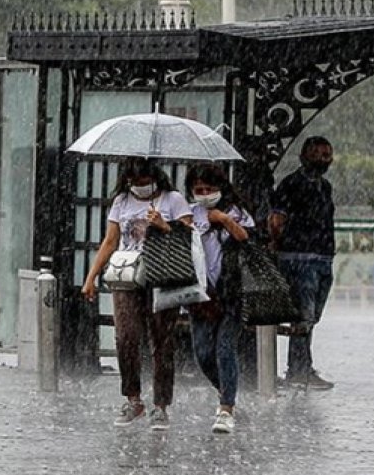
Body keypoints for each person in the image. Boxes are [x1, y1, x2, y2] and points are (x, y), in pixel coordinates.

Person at [81, 157, 193, 431]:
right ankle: (133, 398)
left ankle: (161, 404)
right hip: (128, 276)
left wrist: (164, 225)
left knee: (162, 340)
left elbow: (190, 236)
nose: (139, 186)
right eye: (134, 181)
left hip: (162, 275)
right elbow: (111, 240)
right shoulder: (121, 202)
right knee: (126, 337)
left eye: (144, 181)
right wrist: (91, 276)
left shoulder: (173, 200)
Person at [184, 163, 254, 433]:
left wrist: (224, 220)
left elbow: (247, 239)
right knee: (203, 353)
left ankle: (226, 408)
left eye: (209, 189)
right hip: (201, 295)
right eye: (199, 190)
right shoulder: (189, 214)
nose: (204, 194)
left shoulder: (236, 212)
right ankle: (226, 390)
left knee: (225, 348)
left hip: (232, 292)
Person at [269, 136, 337, 390]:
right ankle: (299, 369)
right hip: (298, 258)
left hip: (322, 257)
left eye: (327, 155)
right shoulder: (291, 185)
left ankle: (301, 366)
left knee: (312, 316)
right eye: (317, 154)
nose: (323, 160)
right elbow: (276, 221)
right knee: (303, 315)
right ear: (304, 156)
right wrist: (280, 245)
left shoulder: (325, 187)